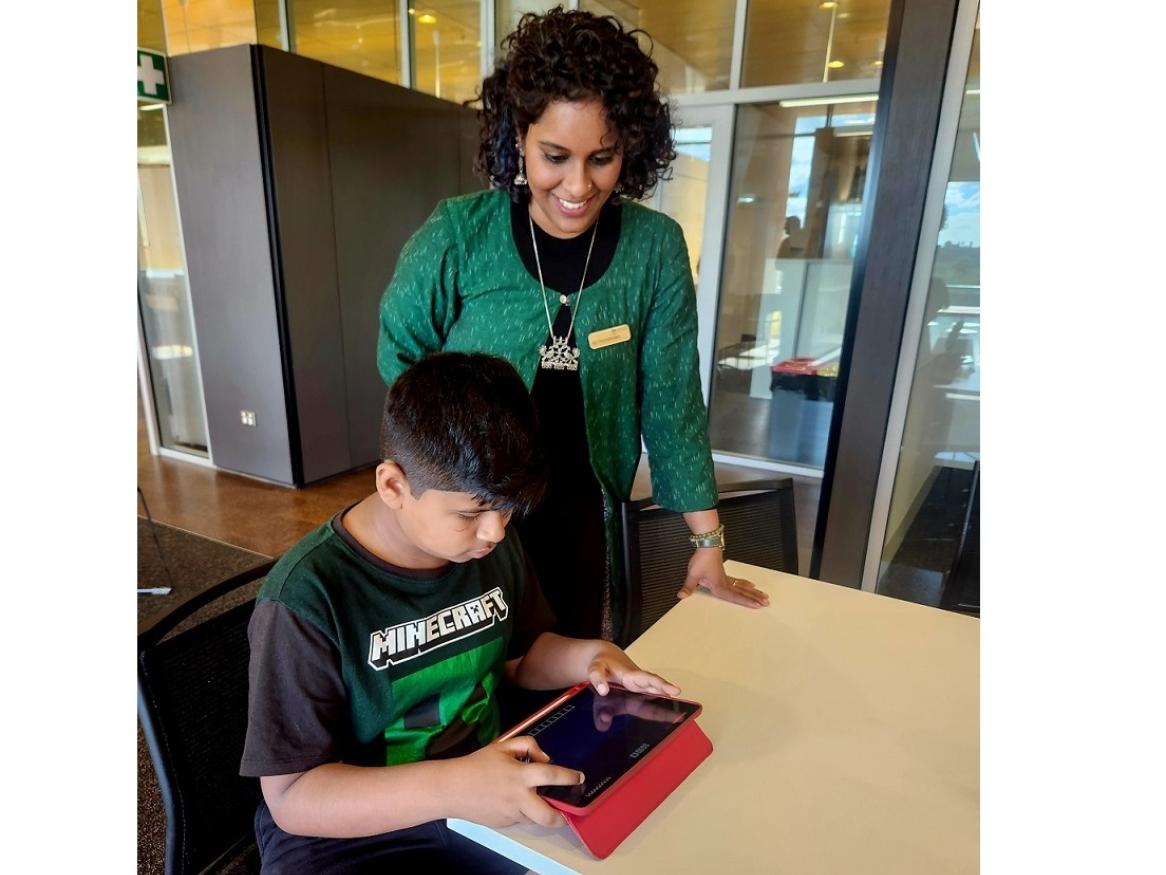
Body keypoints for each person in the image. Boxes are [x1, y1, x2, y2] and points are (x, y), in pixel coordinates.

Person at [377, 7, 768, 643]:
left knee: (567, 676)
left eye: (603, 158)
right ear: (517, 139)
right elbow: (403, 362)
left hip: (580, 513)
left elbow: (672, 402)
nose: (579, 186)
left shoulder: (654, 247)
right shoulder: (458, 234)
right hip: (471, 512)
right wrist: (436, 490)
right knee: (474, 680)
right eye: (554, 156)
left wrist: (708, 541)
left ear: (630, 151)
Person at [240, 352, 681, 873]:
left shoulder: (488, 545)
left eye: (506, 510)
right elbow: (292, 797)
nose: (495, 531)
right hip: (353, 826)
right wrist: (452, 786)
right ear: (394, 487)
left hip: (486, 788)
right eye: (471, 514)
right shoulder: (306, 598)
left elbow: (519, 655)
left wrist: (589, 656)